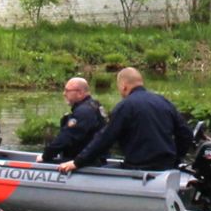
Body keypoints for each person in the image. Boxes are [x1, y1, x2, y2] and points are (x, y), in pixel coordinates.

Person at [57, 67, 194, 173]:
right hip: (166, 167)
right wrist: (175, 159)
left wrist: (77, 162)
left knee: (100, 171)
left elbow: (105, 138)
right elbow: (186, 134)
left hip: (138, 169)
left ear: (124, 86)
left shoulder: (125, 106)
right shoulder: (163, 102)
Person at [39, 76, 105, 164]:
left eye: (67, 91)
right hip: (93, 159)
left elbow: (66, 137)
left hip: (86, 162)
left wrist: (45, 155)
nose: (64, 94)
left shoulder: (83, 112)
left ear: (80, 93)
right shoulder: (94, 105)